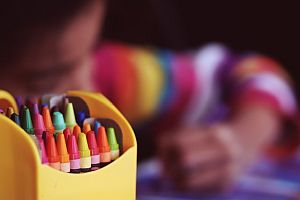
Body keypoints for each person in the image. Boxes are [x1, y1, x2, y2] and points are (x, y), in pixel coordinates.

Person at [0, 0, 299, 191]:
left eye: (93, 47)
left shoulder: (109, 75)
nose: (86, 87)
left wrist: (240, 140)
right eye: (45, 79)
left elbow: (248, 72)